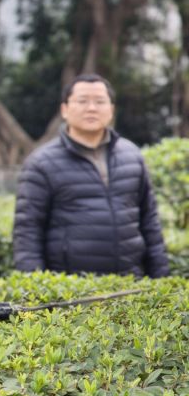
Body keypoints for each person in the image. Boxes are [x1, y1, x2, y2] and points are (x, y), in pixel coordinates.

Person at [12, 73, 169, 278]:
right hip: (72, 290)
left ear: (111, 110)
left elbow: (150, 223)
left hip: (131, 285)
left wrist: (161, 279)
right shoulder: (41, 163)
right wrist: (36, 290)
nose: (92, 108)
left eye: (100, 102)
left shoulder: (132, 156)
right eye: (82, 101)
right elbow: (27, 234)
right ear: (64, 109)